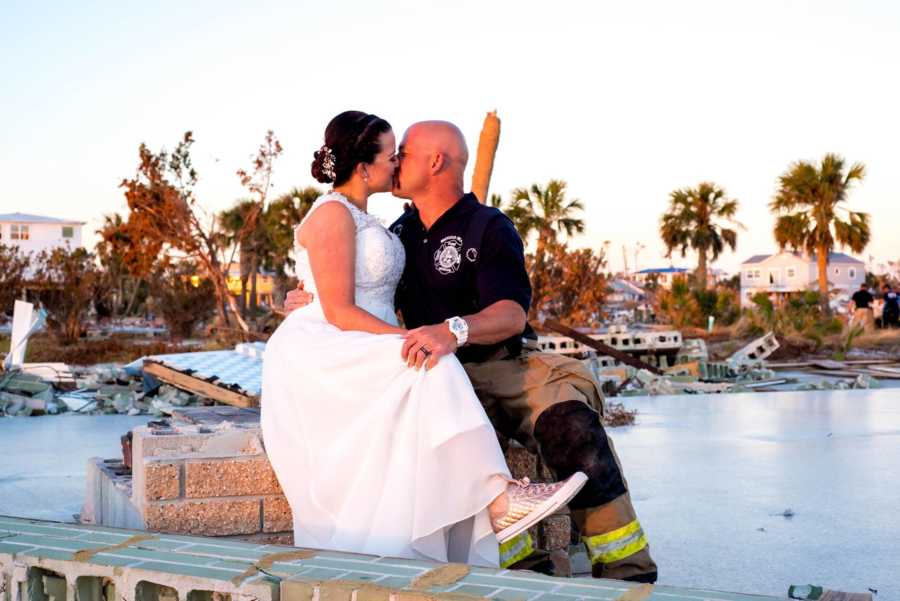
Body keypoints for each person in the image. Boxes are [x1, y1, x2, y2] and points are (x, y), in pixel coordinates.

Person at [287, 119, 658, 583]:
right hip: (426, 371)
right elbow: (346, 281)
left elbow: (511, 314)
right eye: (393, 152)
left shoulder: (488, 226)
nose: (397, 160)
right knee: (449, 437)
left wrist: (454, 330)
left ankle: (627, 572)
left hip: (500, 366)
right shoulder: (393, 233)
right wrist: (309, 300)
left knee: (570, 423)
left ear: (436, 161)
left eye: (405, 151)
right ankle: (522, 571)